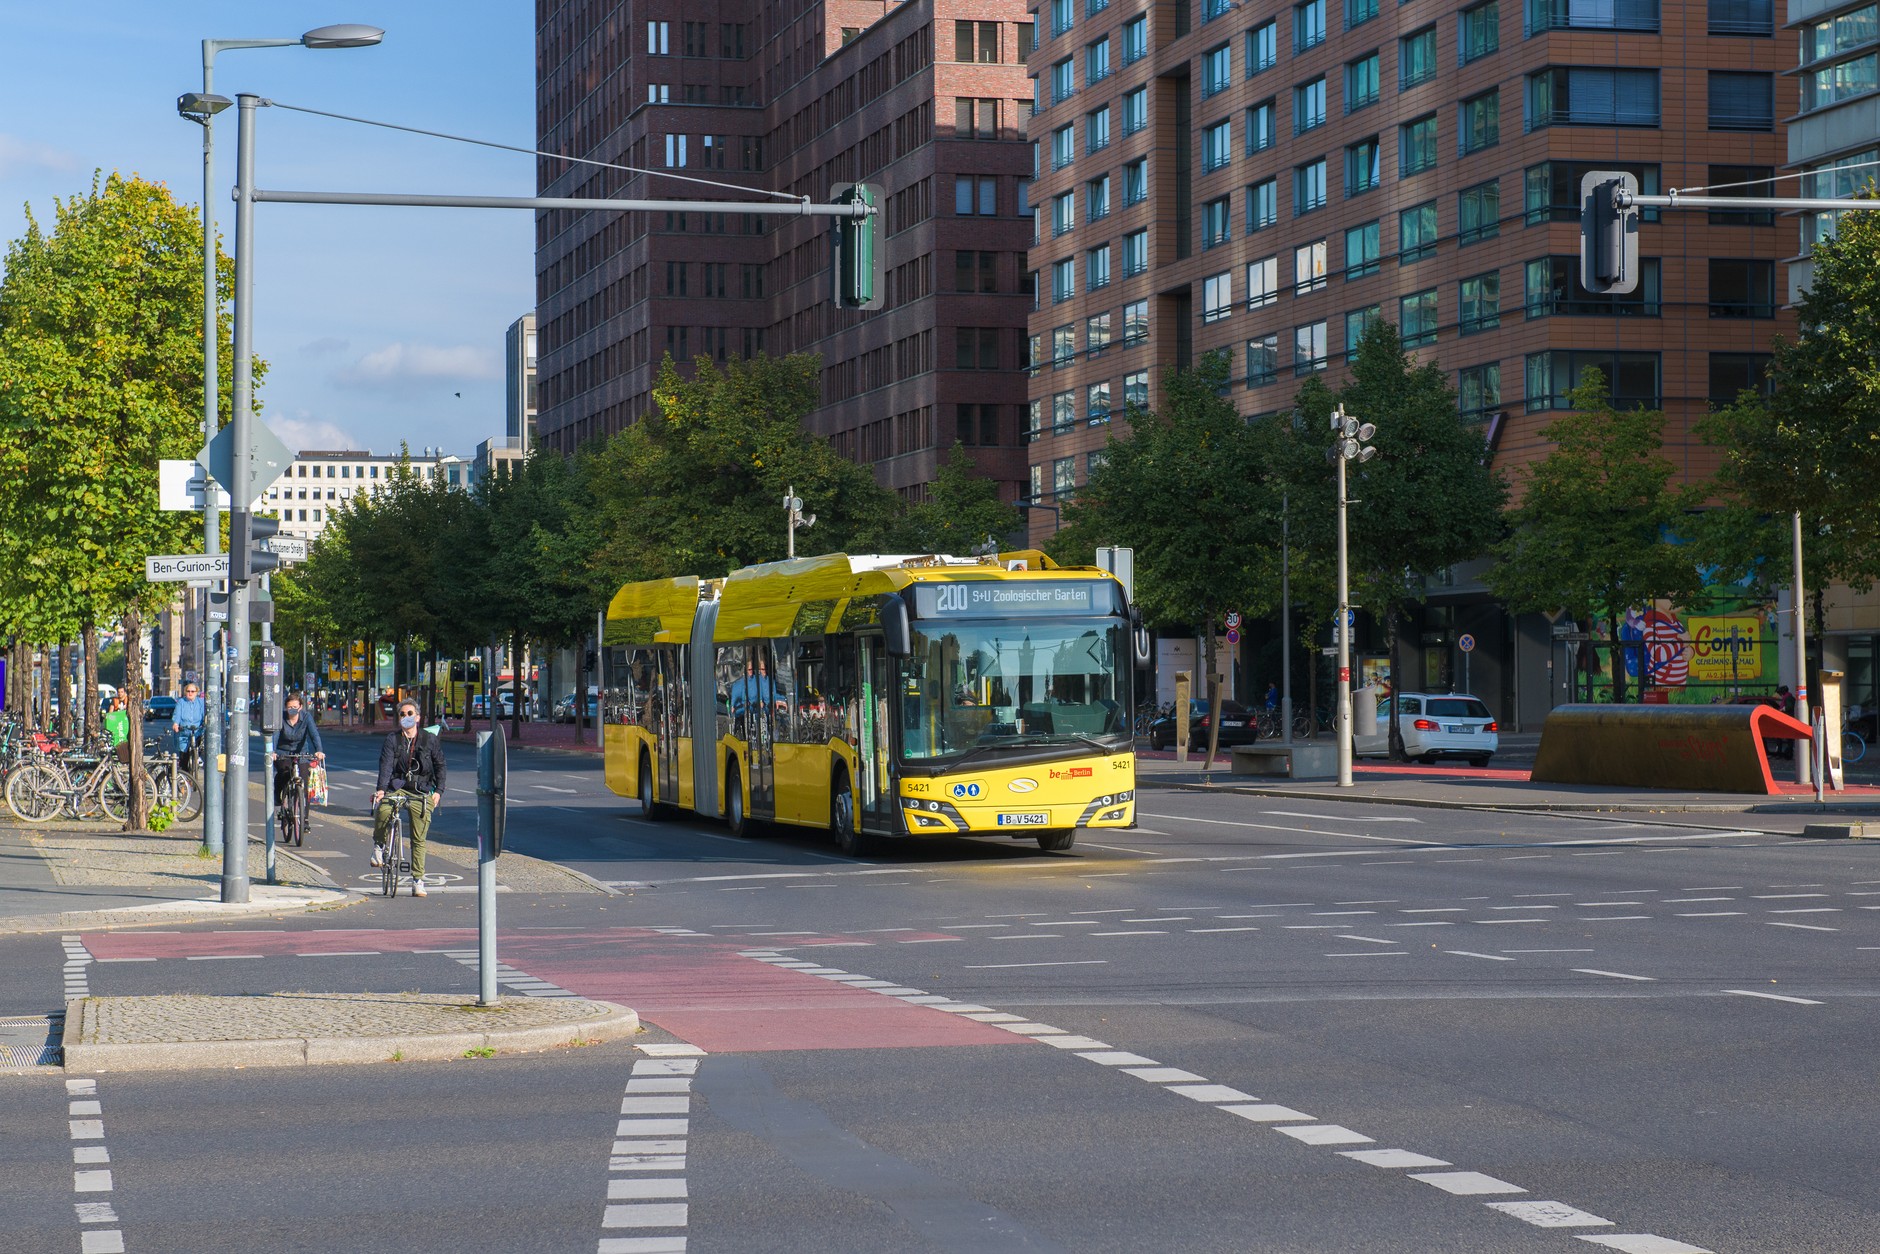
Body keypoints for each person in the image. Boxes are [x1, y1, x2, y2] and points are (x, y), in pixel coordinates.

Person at [370, 698, 446, 897]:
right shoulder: (392, 739)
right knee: (384, 808)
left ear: (418, 717)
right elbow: (385, 765)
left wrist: (439, 791)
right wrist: (381, 789)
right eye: (402, 714)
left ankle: (417, 880)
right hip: (397, 786)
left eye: (410, 713)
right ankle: (379, 846)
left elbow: (440, 765)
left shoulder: (429, 739)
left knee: (418, 836)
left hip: (421, 790)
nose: (406, 717)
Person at [272, 692, 326, 811]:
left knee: (304, 783)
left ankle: (304, 819)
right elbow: (275, 736)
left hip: (301, 752)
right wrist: (273, 751)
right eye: (290, 707)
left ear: (300, 707)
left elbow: (314, 735)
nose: (292, 710)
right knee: (284, 773)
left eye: (295, 707)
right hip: (283, 752)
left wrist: (319, 751)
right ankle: (278, 795)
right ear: (286, 707)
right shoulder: (281, 718)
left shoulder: (306, 717)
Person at [171, 680, 205, 771]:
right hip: (184, 732)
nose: (190, 693)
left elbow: (204, 715)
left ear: (196, 692)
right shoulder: (181, 702)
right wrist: (176, 724)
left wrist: (205, 723)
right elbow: (177, 715)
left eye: (192, 691)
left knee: (200, 745)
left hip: (197, 731)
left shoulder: (201, 703)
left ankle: (197, 757)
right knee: (183, 757)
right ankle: (184, 776)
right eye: (188, 691)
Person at [103, 690, 131, 762]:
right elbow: (110, 712)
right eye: (118, 692)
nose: (120, 694)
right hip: (117, 724)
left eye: (122, 692)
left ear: (125, 693)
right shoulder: (114, 700)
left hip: (125, 723)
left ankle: (125, 757)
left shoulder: (128, 700)